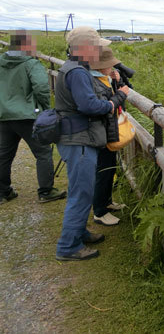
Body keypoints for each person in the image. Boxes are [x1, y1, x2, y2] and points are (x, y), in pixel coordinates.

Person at [54, 26, 128, 261]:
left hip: (76, 137)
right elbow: (89, 106)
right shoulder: (77, 72)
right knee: (81, 193)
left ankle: (79, 233)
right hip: (80, 140)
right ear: (85, 48)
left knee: (81, 190)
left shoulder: (74, 68)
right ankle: (68, 247)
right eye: (95, 46)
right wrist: (116, 99)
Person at [0, 30, 66, 204]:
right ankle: (46, 191)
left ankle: (3, 192)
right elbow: (42, 88)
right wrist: (45, 108)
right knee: (43, 152)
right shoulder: (31, 64)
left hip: (4, 115)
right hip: (27, 115)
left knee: (4, 155)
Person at [89, 47, 129, 226]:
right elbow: (105, 106)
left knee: (110, 167)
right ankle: (99, 211)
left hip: (107, 131)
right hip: (100, 132)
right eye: (110, 65)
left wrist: (117, 84)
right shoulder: (94, 82)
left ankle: (107, 202)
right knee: (103, 171)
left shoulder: (103, 79)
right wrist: (121, 93)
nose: (113, 68)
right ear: (100, 66)